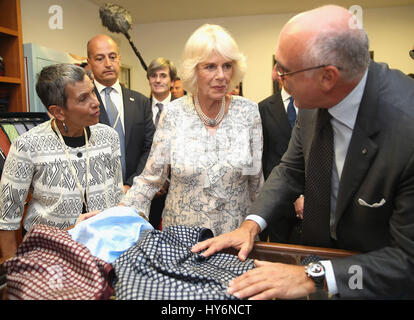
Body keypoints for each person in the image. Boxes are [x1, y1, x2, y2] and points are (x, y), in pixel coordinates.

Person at [192, 5, 414, 299]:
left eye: (284, 70)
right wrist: (250, 224)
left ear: (327, 77)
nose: (274, 74)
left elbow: (407, 260)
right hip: (315, 256)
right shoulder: (311, 102)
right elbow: (290, 169)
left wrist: (315, 276)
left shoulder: (406, 127)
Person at [120, 24, 263, 236]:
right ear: (193, 70)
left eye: (227, 66)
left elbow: (256, 181)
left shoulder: (249, 112)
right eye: (210, 67)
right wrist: (120, 213)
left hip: (234, 239)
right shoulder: (173, 113)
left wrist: (257, 229)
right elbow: (151, 179)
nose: (221, 75)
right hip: (182, 240)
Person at [0, 63, 124, 260]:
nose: (96, 102)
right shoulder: (27, 146)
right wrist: (13, 272)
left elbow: (117, 196)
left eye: (92, 92)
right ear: (58, 112)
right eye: (84, 98)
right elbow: (6, 218)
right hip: (49, 256)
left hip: (104, 250)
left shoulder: (108, 137)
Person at [87, 34, 155, 194]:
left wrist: (131, 184)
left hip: (136, 192)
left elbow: (149, 147)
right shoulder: (82, 103)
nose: (108, 64)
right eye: (99, 58)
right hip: (96, 194)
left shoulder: (140, 102)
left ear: (119, 59)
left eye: (112, 57)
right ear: (89, 62)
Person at [258, 78, 301, 243]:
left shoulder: (313, 104)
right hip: (276, 196)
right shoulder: (264, 107)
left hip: (308, 198)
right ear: (278, 75)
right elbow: (262, 154)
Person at [146, 57, 177, 229]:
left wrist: (165, 180)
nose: (158, 80)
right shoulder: (139, 107)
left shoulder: (183, 110)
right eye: (153, 75)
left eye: (163, 76)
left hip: (174, 187)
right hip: (147, 186)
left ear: (172, 81)